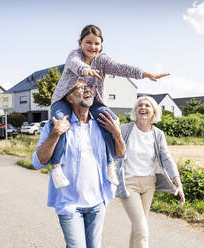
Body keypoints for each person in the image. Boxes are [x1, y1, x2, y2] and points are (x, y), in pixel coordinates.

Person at [49, 24, 170, 189]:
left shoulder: (103, 61)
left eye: (96, 43)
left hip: (92, 100)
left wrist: (145, 74)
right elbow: (75, 64)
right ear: (80, 43)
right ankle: (56, 167)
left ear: (101, 46)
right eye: (88, 42)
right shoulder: (74, 55)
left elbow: (122, 68)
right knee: (61, 123)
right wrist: (86, 70)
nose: (93, 47)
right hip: (64, 98)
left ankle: (109, 162)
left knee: (111, 119)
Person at [32, 79, 125, 248]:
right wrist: (55, 133)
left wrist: (117, 134)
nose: (87, 90)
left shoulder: (102, 125)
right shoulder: (56, 124)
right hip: (69, 204)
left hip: (98, 202)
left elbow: (120, 154)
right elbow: (38, 162)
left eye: (89, 87)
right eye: (81, 88)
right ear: (69, 98)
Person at [116, 96, 186, 248]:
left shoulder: (158, 134)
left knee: (138, 228)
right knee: (142, 230)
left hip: (149, 185)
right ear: (135, 110)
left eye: (147, 105)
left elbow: (166, 158)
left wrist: (178, 184)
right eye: (140, 104)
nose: (143, 107)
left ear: (154, 112)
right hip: (129, 184)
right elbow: (111, 149)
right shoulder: (125, 129)